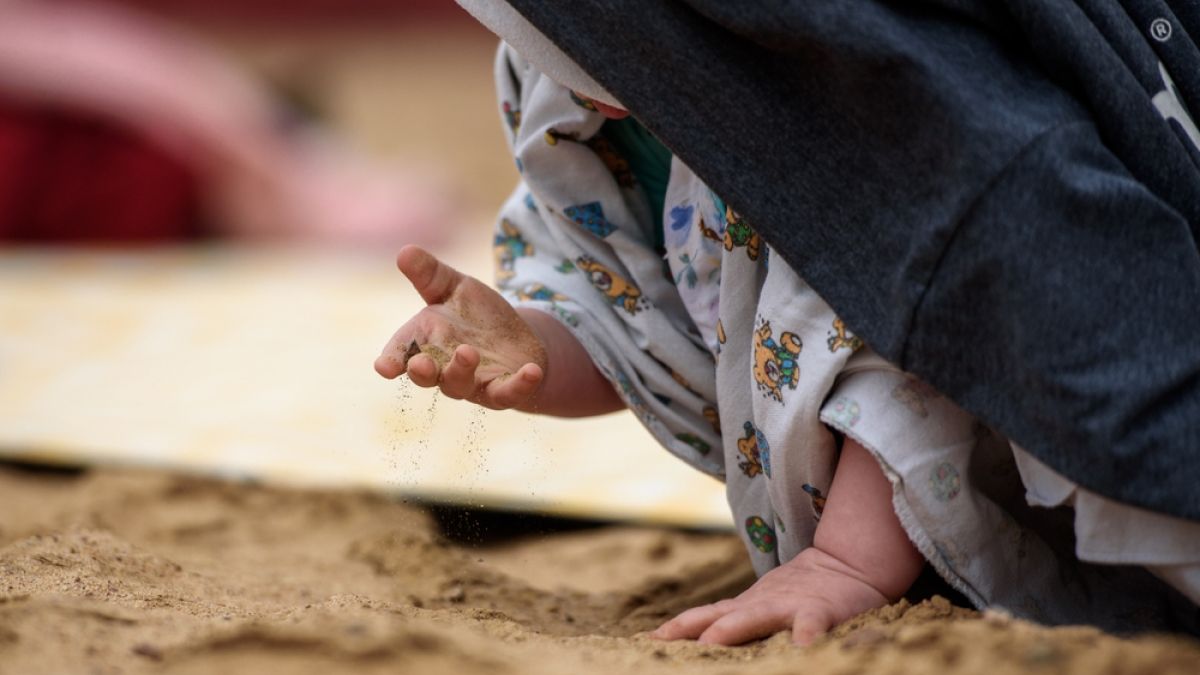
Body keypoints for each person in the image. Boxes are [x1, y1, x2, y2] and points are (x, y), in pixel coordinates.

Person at [377, 0, 1200, 644]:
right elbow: (632, 321)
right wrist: (539, 344)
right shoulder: (556, 94)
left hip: (1007, 422)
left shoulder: (810, 67)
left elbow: (928, 307)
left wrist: (847, 560)